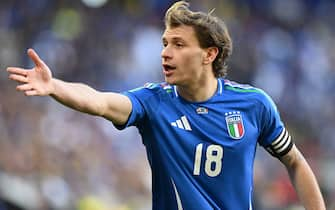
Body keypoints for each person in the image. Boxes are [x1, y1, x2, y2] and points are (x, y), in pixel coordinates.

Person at [6, 1, 325, 210]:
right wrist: (54, 86)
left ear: (209, 55)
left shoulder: (254, 105)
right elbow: (99, 101)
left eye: (178, 44)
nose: (165, 53)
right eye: (164, 44)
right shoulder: (153, 102)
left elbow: (294, 162)